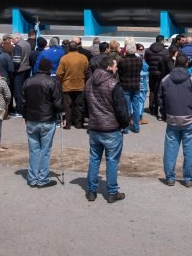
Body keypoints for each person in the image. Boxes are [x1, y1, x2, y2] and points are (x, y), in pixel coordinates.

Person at [84, 57, 130, 203]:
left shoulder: (89, 81)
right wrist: (124, 124)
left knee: (94, 159)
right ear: (109, 67)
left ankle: (91, 191)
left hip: (95, 126)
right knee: (112, 160)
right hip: (110, 128)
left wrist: (90, 118)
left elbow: (84, 104)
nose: (117, 69)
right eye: (115, 66)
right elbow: (121, 108)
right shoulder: (113, 84)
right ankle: (112, 192)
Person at [159, 55, 192, 187]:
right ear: (187, 64)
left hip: (172, 118)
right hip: (189, 119)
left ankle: (170, 177)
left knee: (170, 149)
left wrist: (164, 115)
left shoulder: (166, 79)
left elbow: (160, 100)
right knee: (189, 150)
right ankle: (188, 178)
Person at [22, 58, 63, 188]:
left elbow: (22, 102)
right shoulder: (52, 82)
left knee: (34, 150)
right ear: (49, 69)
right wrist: (60, 113)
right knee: (45, 150)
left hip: (32, 119)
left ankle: (33, 178)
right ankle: (43, 178)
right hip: (47, 119)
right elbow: (58, 103)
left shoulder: (28, 81)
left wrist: (26, 116)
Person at [56, 41, 89, 129]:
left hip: (67, 85)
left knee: (67, 106)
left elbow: (59, 73)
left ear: (68, 48)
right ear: (77, 48)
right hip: (80, 84)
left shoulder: (64, 58)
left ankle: (68, 123)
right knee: (79, 105)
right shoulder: (83, 58)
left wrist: (62, 80)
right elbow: (86, 71)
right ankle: (79, 123)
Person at [117, 40, 144, 133]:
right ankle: (136, 127)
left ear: (126, 51)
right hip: (136, 85)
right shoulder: (139, 60)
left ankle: (126, 128)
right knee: (136, 106)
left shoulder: (122, 61)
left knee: (126, 107)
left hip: (125, 85)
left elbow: (119, 72)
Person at [145, 35, 169, 118]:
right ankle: (158, 109)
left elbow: (147, 61)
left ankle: (152, 108)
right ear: (162, 41)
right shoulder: (165, 51)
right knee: (159, 91)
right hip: (161, 73)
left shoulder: (148, 51)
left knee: (152, 90)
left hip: (151, 72)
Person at [11, 32, 33, 115]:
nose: (12, 41)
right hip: (27, 69)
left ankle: (20, 110)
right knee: (25, 90)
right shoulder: (27, 44)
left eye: (12, 39)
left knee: (18, 92)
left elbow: (16, 62)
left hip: (19, 71)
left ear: (17, 38)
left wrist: (12, 70)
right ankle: (26, 107)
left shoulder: (18, 46)